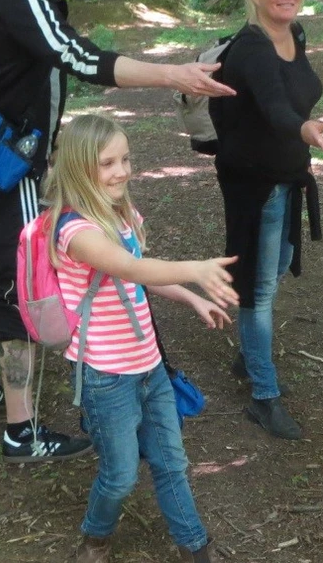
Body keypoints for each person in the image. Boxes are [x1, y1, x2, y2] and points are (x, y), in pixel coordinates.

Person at [0, 0, 234, 463]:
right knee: (23, 280)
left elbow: (41, 68)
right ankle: (21, 431)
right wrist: (173, 75)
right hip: (4, 160)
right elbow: (79, 58)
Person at [41, 114, 233, 563]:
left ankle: (195, 546)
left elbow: (138, 274)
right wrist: (195, 269)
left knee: (171, 463)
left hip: (148, 365)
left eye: (125, 159)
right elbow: (129, 268)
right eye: (107, 163)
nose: (122, 171)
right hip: (105, 375)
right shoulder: (75, 230)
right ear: (77, 168)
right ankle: (96, 535)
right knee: (121, 474)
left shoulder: (119, 214)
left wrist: (191, 298)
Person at [209, 0, 323, 440]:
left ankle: (249, 350)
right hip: (253, 183)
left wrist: (310, 129)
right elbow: (276, 108)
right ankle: (264, 396)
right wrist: (305, 128)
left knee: (278, 263)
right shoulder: (251, 49)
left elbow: (297, 94)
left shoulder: (296, 35)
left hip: (287, 175)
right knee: (258, 287)